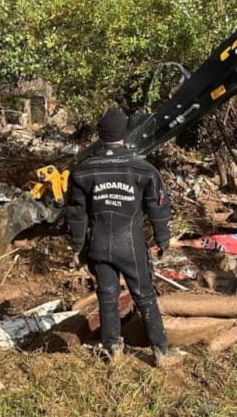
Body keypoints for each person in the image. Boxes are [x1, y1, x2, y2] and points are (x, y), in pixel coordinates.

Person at [66, 106, 180, 368]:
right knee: (144, 296)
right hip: (131, 245)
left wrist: (77, 245)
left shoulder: (83, 171)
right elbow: (158, 207)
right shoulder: (143, 169)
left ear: (101, 134)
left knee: (107, 294)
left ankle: (112, 350)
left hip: (99, 245)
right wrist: (162, 239)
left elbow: (75, 214)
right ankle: (161, 353)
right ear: (124, 133)